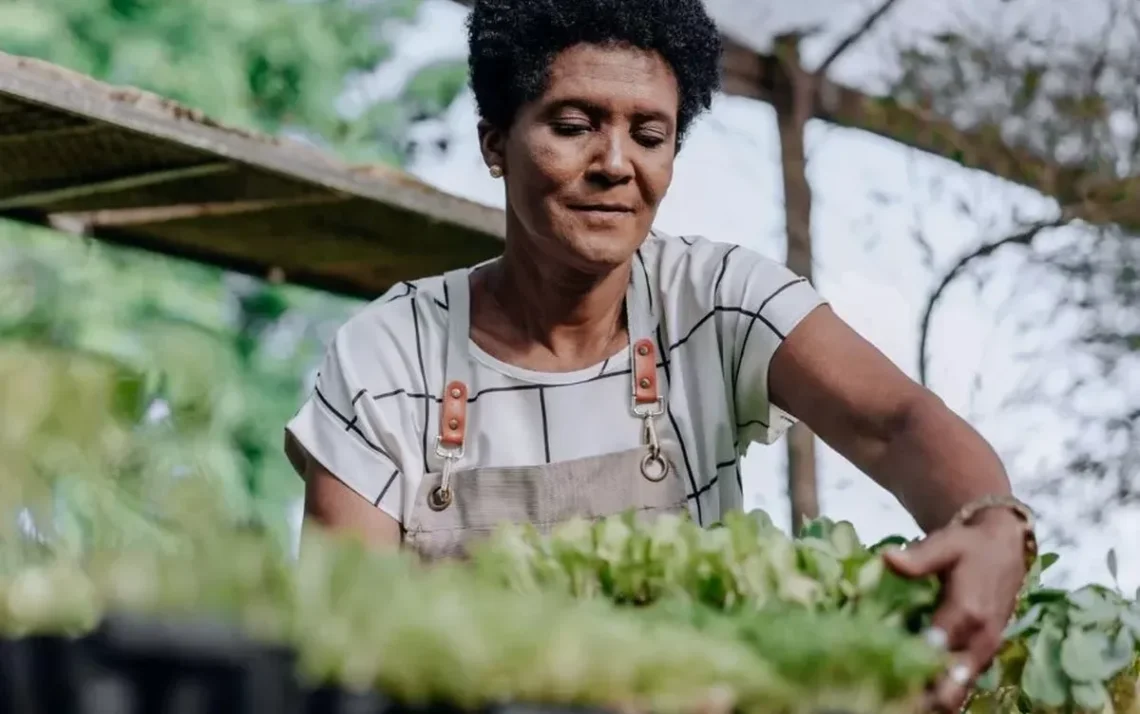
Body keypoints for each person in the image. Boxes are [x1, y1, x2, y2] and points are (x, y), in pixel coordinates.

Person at [285, 0, 1035, 709]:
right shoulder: (390, 356)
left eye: (650, 136)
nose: (616, 164)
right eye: (575, 125)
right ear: (494, 142)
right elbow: (344, 645)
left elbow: (897, 422)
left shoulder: (716, 300)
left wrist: (992, 521)